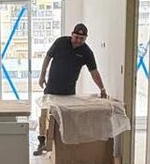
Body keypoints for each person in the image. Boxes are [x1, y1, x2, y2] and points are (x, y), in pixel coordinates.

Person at [33, 23, 107, 156]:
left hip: (68, 91)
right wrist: (42, 76)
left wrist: (102, 88)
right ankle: (42, 141)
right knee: (45, 114)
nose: (78, 40)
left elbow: (94, 72)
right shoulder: (61, 42)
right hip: (52, 87)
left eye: (81, 39)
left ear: (85, 38)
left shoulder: (86, 52)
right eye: (76, 37)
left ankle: (60, 144)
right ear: (72, 34)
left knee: (63, 117)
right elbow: (47, 57)